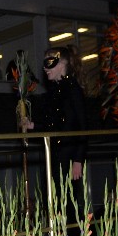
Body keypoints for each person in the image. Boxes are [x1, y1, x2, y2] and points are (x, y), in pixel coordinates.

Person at [30, 45, 86, 181]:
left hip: (68, 155)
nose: (45, 68)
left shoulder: (73, 89)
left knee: (65, 196)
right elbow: (53, 126)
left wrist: (78, 160)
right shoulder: (54, 92)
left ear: (62, 64)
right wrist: (33, 126)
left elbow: (83, 125)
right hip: (54, 154)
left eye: (48, 63)